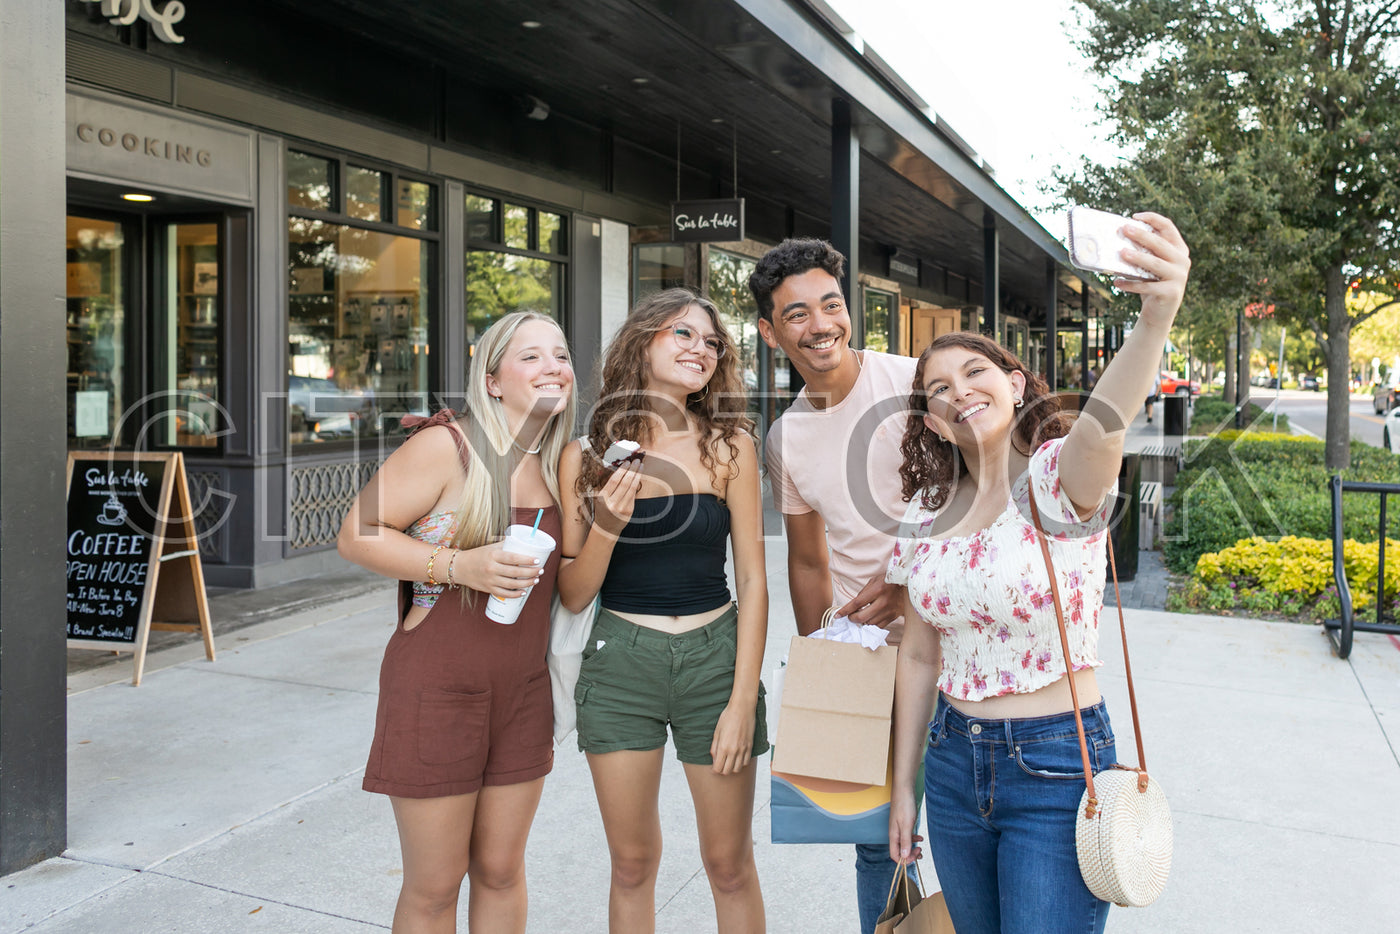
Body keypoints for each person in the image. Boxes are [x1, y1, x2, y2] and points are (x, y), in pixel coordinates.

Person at [886, 212, 1190, 934]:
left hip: (1057, 766)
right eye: (937, 389)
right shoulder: (923, 514)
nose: (957, 392)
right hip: (954, 766)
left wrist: (1156, 317)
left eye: (975, 372)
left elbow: (1106, 420)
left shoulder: (1058, 483)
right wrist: (904, 785)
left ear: (1016, 385)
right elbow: (919, 654)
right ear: (930, 420)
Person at [337, 311, 577, 933]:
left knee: (502, 870)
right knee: (435, 886)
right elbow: (356, 533)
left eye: (561, 355)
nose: (553, 366)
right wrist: (458, 565)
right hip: (437, 688)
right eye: (532, 356)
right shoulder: (447, 446)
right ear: (493, 380)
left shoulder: (557, 463)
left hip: (524, 692)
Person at [557, 288, 768, 934]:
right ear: (642, 341)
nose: (699, 350)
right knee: (631, 863)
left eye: (711, 343)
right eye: (683, 334)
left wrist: (739, 704)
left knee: (728, 863)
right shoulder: (584, 456)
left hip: (714, 659)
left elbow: (755, 581)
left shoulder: (731, 448)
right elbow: (572, 593)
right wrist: (609, 525)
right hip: (620, 666)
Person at [748, 238, 918, 934]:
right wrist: (817, 659)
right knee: (879, 843)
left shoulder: (916, 381)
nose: (820, 325)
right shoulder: (787, 438)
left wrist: (907, 581)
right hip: (866, 660)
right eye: (797, 313)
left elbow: (985, 494)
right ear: (770, 331)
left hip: (960, 645)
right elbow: (809, 561)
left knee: (964, 828)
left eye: (831, 305)